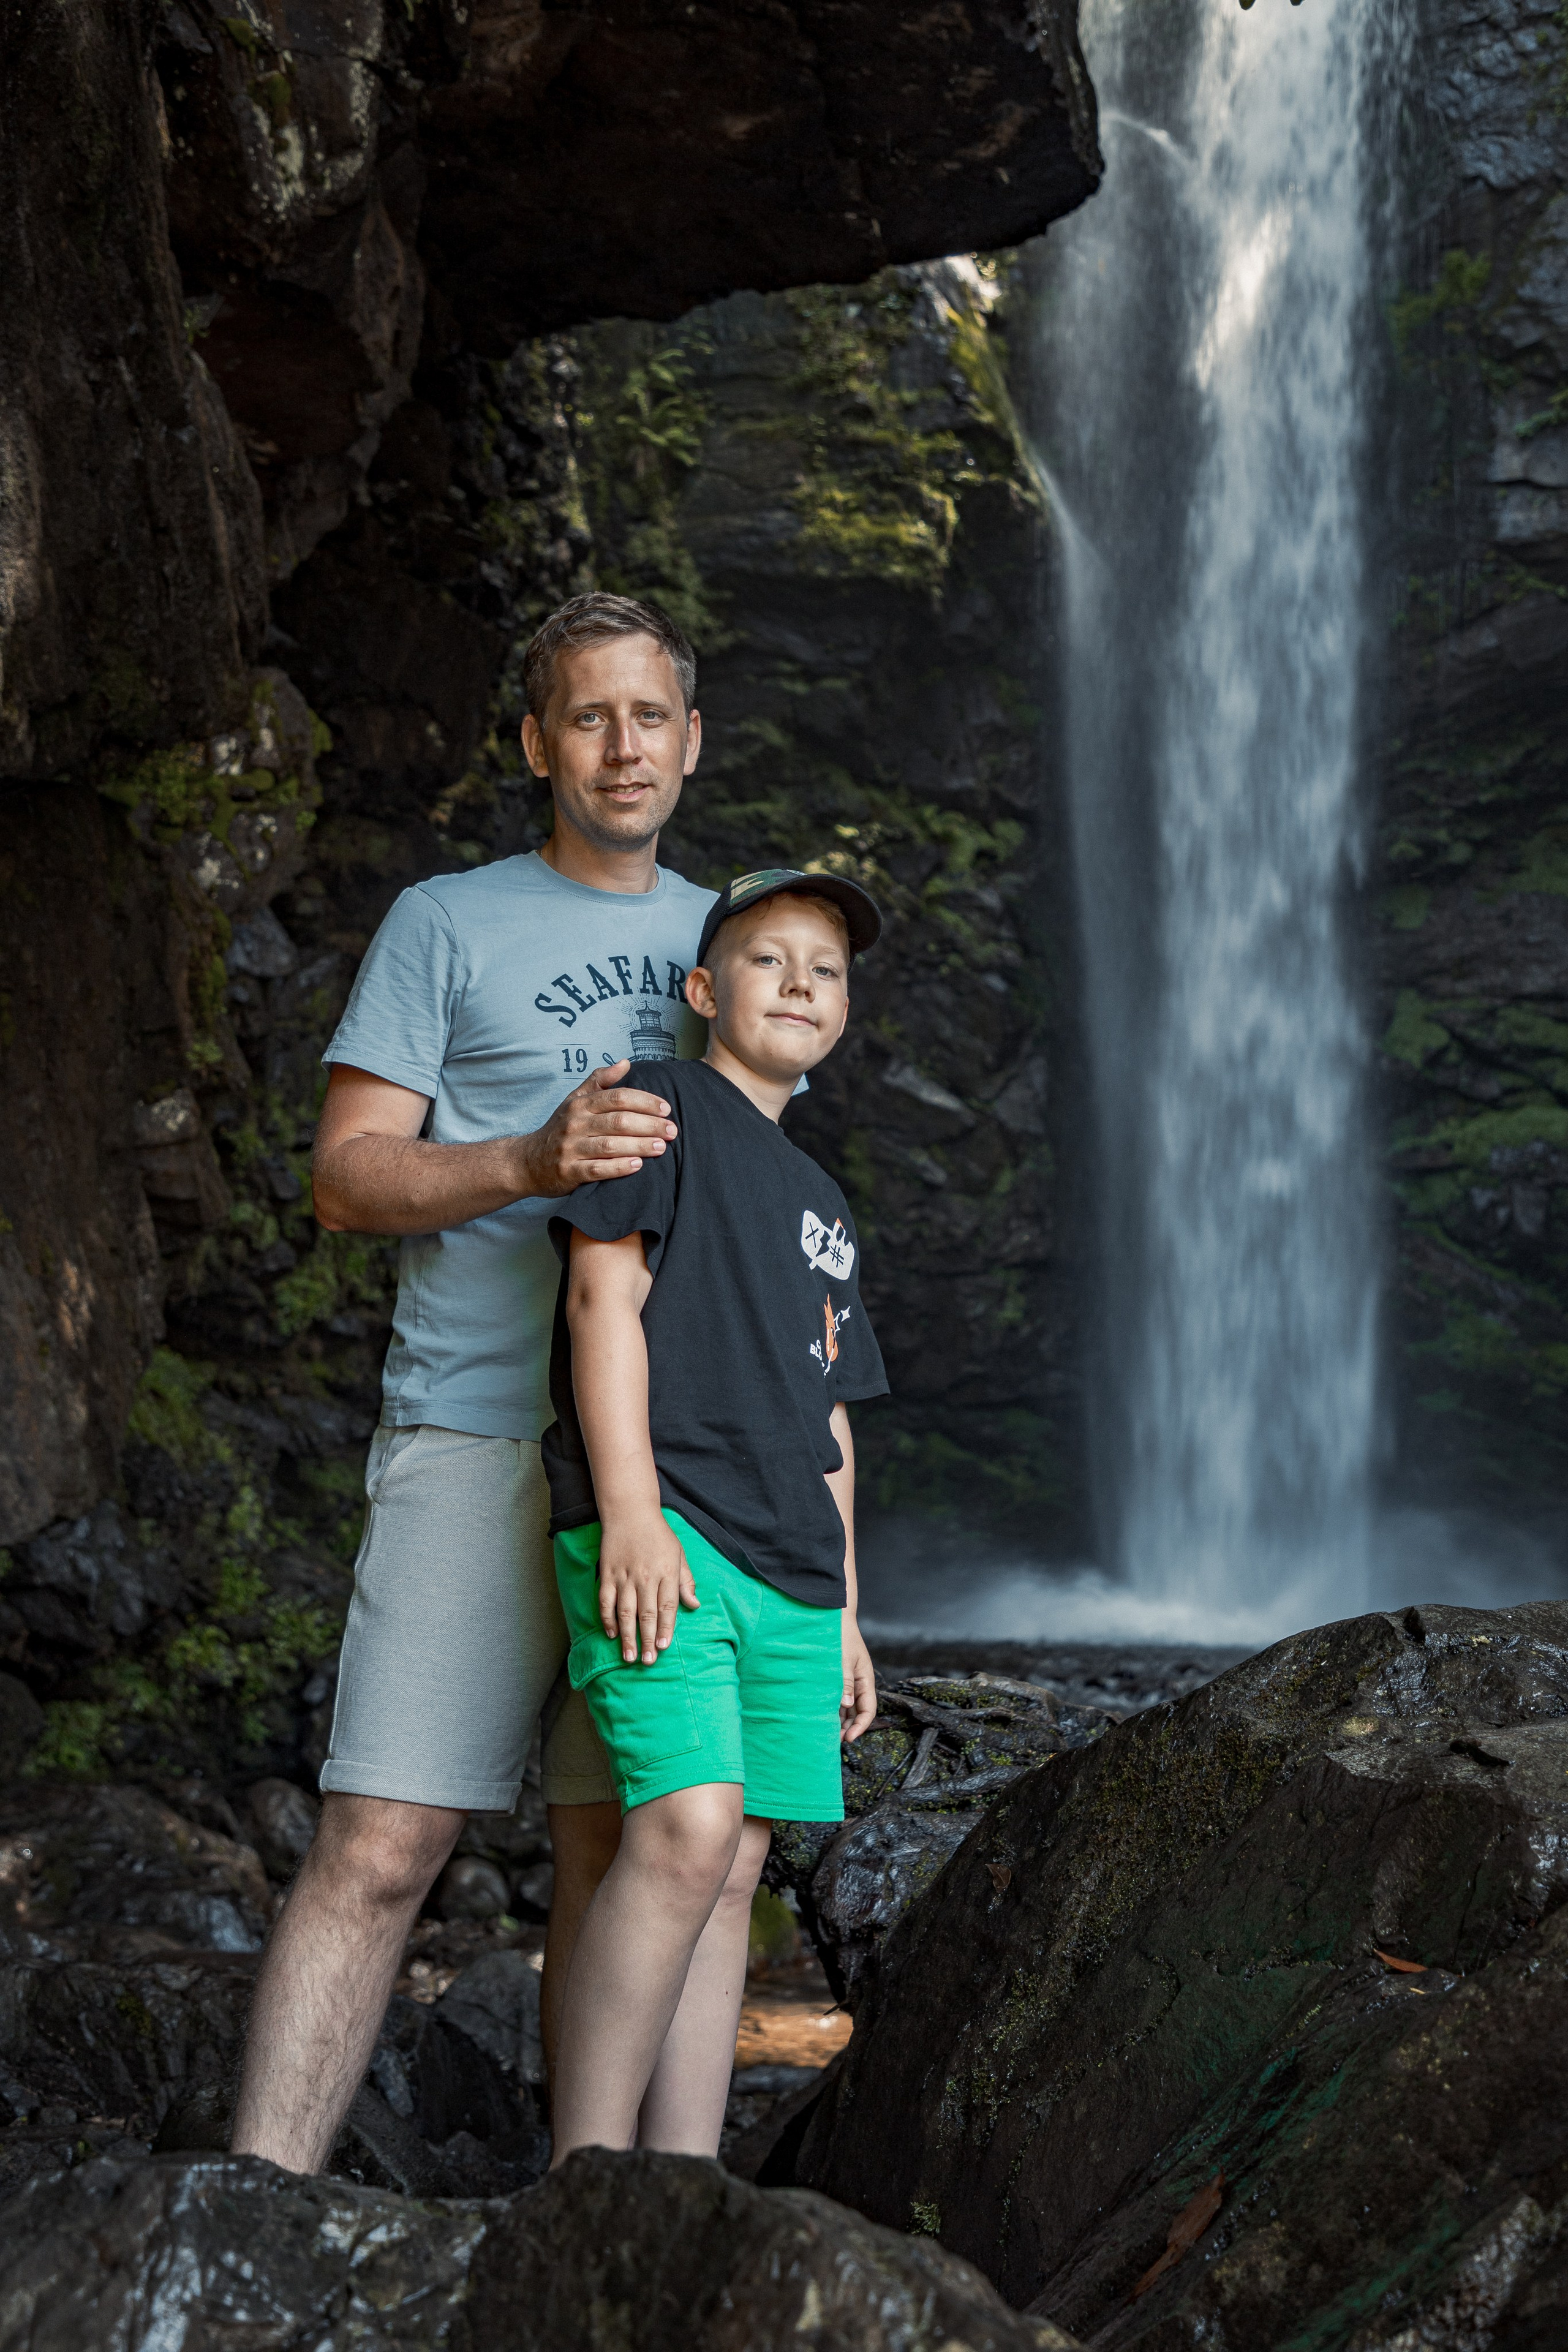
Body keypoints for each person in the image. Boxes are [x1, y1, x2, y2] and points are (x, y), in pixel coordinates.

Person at [232, 593, 718, 2172]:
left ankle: (596, 2229)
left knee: (618, 1842)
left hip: (675, 1467)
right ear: (536, 743)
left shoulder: (739, 945)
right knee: (382, 1842)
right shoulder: (448, 922)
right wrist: (524, 1155)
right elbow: (344, 1178)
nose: (621, 745)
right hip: (477, 1428)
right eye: (588, 716)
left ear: (691, 740)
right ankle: (247, 2209)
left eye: (648, 715)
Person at [540, 868, 887, 2160]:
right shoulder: (657, 1103)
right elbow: (600, 1305)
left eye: (826, 969)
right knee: (682, 1831)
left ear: (843, 1013)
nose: (800, 981)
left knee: (734, 1871)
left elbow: (834, 1418)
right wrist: (626, 1511)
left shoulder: (824, 1207)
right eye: (766, 959)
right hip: (667, 1532)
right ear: (701, 992)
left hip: (795, 1573)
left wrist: (849, 1606)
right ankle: (581, 2179)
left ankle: (681, 2183)